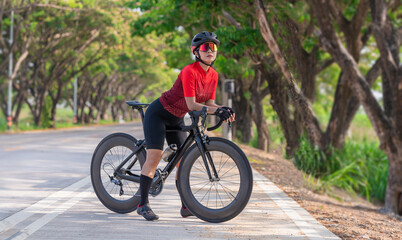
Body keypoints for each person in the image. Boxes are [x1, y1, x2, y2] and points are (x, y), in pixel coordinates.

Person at [137, 31, 235, 221]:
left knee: (182, 163)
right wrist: (216, 111)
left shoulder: (213, 75)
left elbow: (209, 103)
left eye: (213, 47)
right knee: (154, 157)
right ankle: (142, 204)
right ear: (196, 52)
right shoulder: (189, 71)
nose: (210, 51)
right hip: (158, 114)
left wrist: (223, 109)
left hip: (177, 118)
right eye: (206, 47)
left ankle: (185, 207)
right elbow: (192, 105)